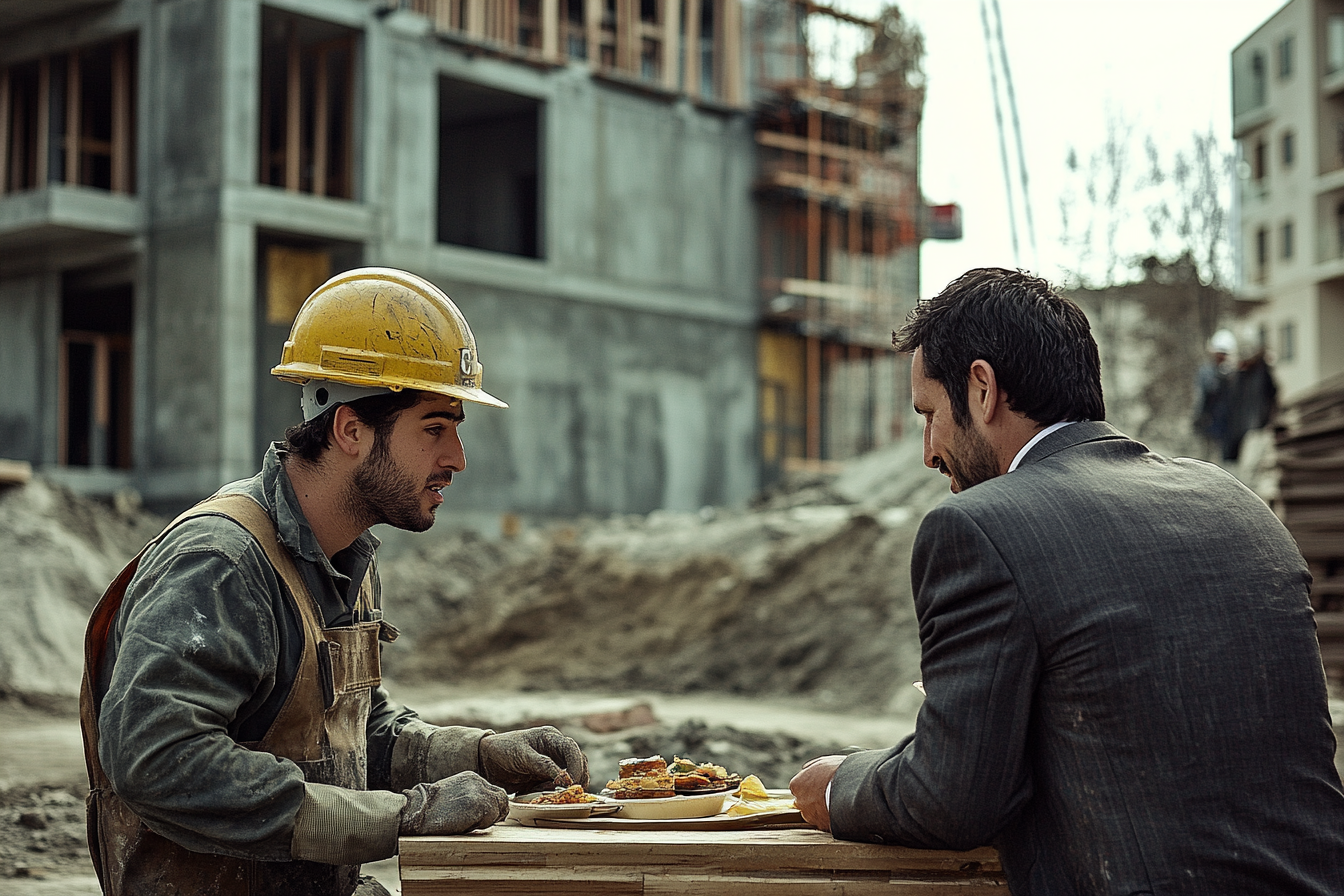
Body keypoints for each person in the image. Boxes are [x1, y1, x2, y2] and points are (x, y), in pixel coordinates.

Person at [789, 268, 1344, 893]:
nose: (928, 451)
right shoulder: (1238, 505)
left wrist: (840, 785)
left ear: (981, 388)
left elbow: (954, 796)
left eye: (929, 414)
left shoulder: (977, 528)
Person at [80, 268, 589, 896]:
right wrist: (403, 820)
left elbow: (352, 740)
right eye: (435, 428)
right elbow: (156, 761)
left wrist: (481, 755)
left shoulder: (344, 558)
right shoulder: (222, 565)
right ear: (350, 430)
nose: (457, 458)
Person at [1192, 327, 1236, 459]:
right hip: (1209, 423)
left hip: (1227, 426)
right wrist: (1199, 417)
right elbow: (1201, 397)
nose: (1221, 357)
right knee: (1206, 459)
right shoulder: (1206, 372)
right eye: (1219, 353)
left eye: (1224, 353)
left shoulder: (1233, 374)